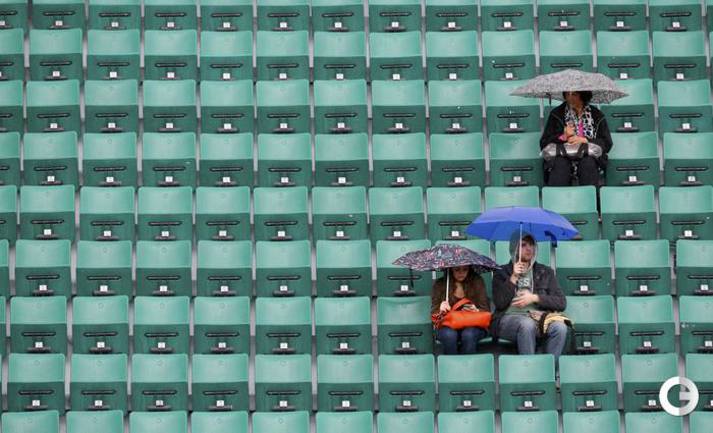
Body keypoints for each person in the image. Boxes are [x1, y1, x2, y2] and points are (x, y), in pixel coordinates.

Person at [491, 233, 568, 362]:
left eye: (531, 244)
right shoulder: (501, 272)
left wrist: (534, 298)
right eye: (523, 245)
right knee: (527, 324)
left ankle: (549, 370)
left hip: (539, 319)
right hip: (508, 320)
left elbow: (561, 302)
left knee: (560, 328)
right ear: (514, 248)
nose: (529, 248)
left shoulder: (545, 272)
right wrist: (513, 277)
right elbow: (499, 303)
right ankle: (530, 369)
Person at [540, 90, 613, 187]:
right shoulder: (556, 114)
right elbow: (544, 143)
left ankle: (590, 196)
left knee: (588, 164)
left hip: (588, 156)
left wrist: (586, 140)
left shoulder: (597, 115)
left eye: (574, 94)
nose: (570, 98)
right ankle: (558, 196)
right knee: (560, 165)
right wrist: (563, 136)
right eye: (567, 94)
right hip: (562, 155)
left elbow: (607, 143)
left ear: (583, 96)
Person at [432, 265, 490, 355]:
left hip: (473, 323)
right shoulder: (440, 284)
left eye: (465, 269)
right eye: (457, 269)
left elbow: (486, 310)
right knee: (449, 335)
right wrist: (441, 308)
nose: (461, 273)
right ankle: (452, 362)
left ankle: (468, 363)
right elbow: (434, 315)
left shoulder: (477, 281)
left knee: (469, 334)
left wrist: (476, 310)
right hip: (448, 325)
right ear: (450, 269)